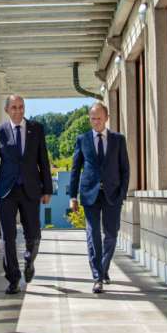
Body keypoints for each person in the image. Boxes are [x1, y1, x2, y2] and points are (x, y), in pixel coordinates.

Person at [0, 95, 53, 294]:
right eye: (14, 107)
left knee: (34, 235)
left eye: (21, 107)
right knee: (8, 237)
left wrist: (47, 189)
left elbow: (43, 161)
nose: (18, 111)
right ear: (7, 110)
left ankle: (29, 261)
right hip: (6, 191)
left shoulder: (36, 129)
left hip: (31, 190)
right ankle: (13, 279)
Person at [69, 102, 130, 294]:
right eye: (92, 118)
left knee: (111, 235)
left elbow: (125, 169)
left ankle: (103, 268)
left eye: (99, 118)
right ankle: (97, 277)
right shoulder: (82, 139)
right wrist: (72, 196)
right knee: (92, 233)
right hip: (89, 194)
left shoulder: (118, 140)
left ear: (107, 118)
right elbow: (75, 169)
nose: (95, 122)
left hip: (113, 195)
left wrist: (122, 194)